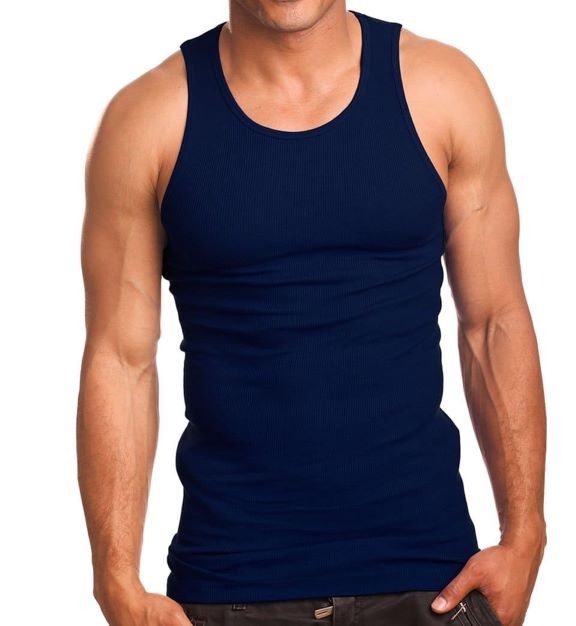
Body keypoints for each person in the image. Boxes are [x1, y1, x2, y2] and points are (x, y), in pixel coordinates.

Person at [77, 2, 547, 625]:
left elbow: (493, 324)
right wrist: (114, 579)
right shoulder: (148, 119)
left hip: (430, 581)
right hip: (229, 585)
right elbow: (119, 359)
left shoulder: (441, 90)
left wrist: (525, 537)